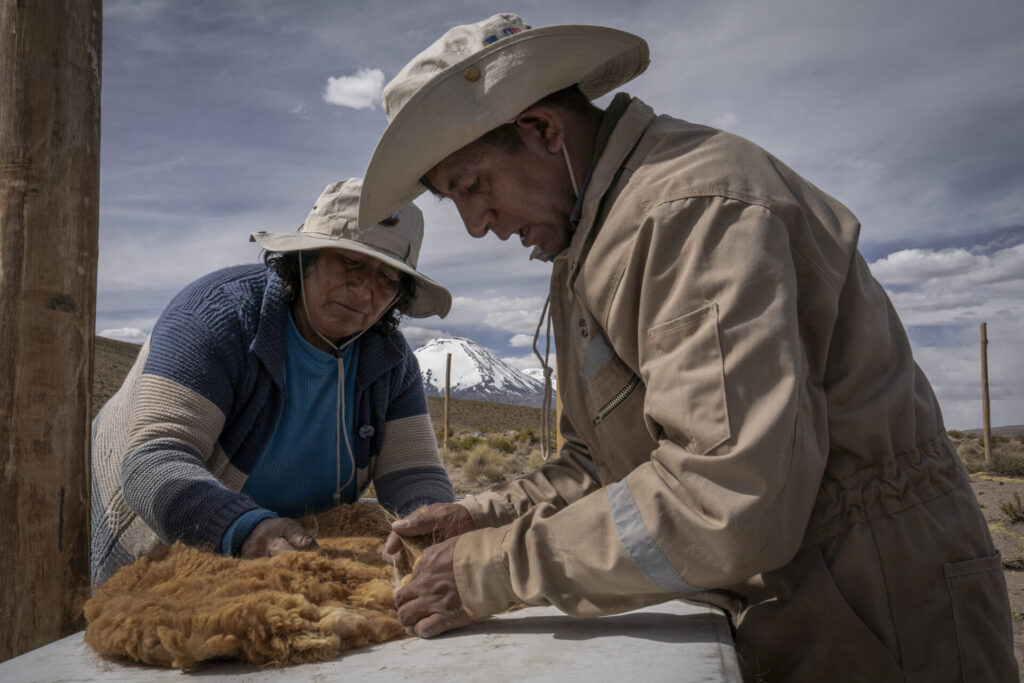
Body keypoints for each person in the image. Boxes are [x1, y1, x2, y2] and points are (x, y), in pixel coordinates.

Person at [361, 14, 1018, 682]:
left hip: (882, 611)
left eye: (473, 186)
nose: (476, 226)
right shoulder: (589, 243)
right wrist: (479, 515)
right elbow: (605, 464)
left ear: (541, 130)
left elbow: (724, 496)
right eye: (455, 202)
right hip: (791, 604)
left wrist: (490, 569)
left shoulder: (691, 211)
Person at [91, 178, 455, 587]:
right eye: (350, 263)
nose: (364, 289)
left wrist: (434, 528)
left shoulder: (388, 360)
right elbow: (154, 461)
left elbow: (413, 476)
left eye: (387, 278)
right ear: (306, 258)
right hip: (165, 537)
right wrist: (244, 528)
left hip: (289, 547)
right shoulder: (216, 319)